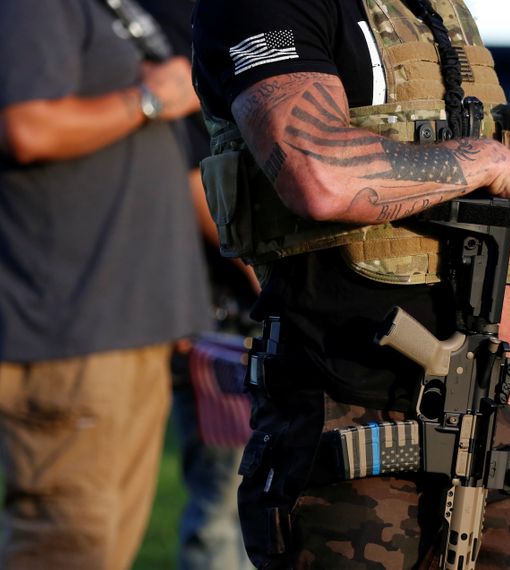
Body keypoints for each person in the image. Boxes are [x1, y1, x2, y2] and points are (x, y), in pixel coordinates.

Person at [192, 0, 510, 567]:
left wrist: (509, 423)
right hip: (345, 432)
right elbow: (316, 173)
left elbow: (493, 245)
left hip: (479, 434)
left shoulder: (437, 13)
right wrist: (480, 160)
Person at [0, 1, 210, 568]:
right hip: (73, 338)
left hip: (124, 333)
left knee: (104, 548)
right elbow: (27, 126)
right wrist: (148, 100)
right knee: (65, 548)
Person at [136, 1, 258, 568]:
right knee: (223, 505)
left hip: (234, 300)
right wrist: (270, 276)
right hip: (223, 311)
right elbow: (195, 178)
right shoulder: (167, 19)